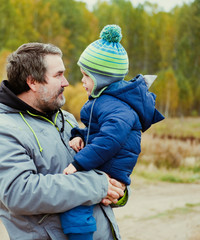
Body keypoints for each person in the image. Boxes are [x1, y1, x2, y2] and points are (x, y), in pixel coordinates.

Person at [0, 42, 127, 240]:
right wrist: (97, 186)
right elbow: (19, 192)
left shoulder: (66, 119)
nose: (66, 82)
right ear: (32, 82)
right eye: (58, 75)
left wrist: (118, 189)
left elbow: (99, 165)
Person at [60, 25, 165, 240]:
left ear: (101, 79)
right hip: (106, 165)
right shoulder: (109, 103)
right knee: (79, 205)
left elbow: (109, 140)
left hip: (109, 168)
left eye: (86, 76)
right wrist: (78, 135)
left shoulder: (116, 106)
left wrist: (78, 164)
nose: (82, 81)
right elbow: (95, 132)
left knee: (77, 206)